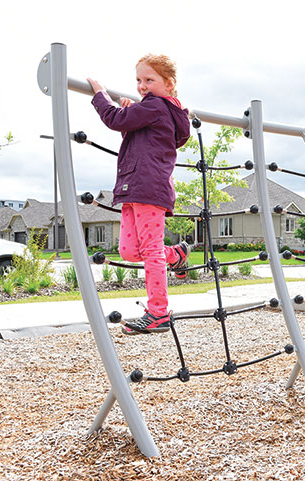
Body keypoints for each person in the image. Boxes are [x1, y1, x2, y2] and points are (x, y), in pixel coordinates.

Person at [88, 54, 191, 335]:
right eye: (138, 80)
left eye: (149, 80)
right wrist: (131, 115)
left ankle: (158, 313)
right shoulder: (155, 110)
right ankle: (177, 254)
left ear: (169, 84)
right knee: (129, 251)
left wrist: (100, 95)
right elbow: (137, 139)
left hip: (149, 189)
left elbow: (113, 119)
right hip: (132, 187)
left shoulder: (157, 106)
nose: (142, 85)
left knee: (149, 252)